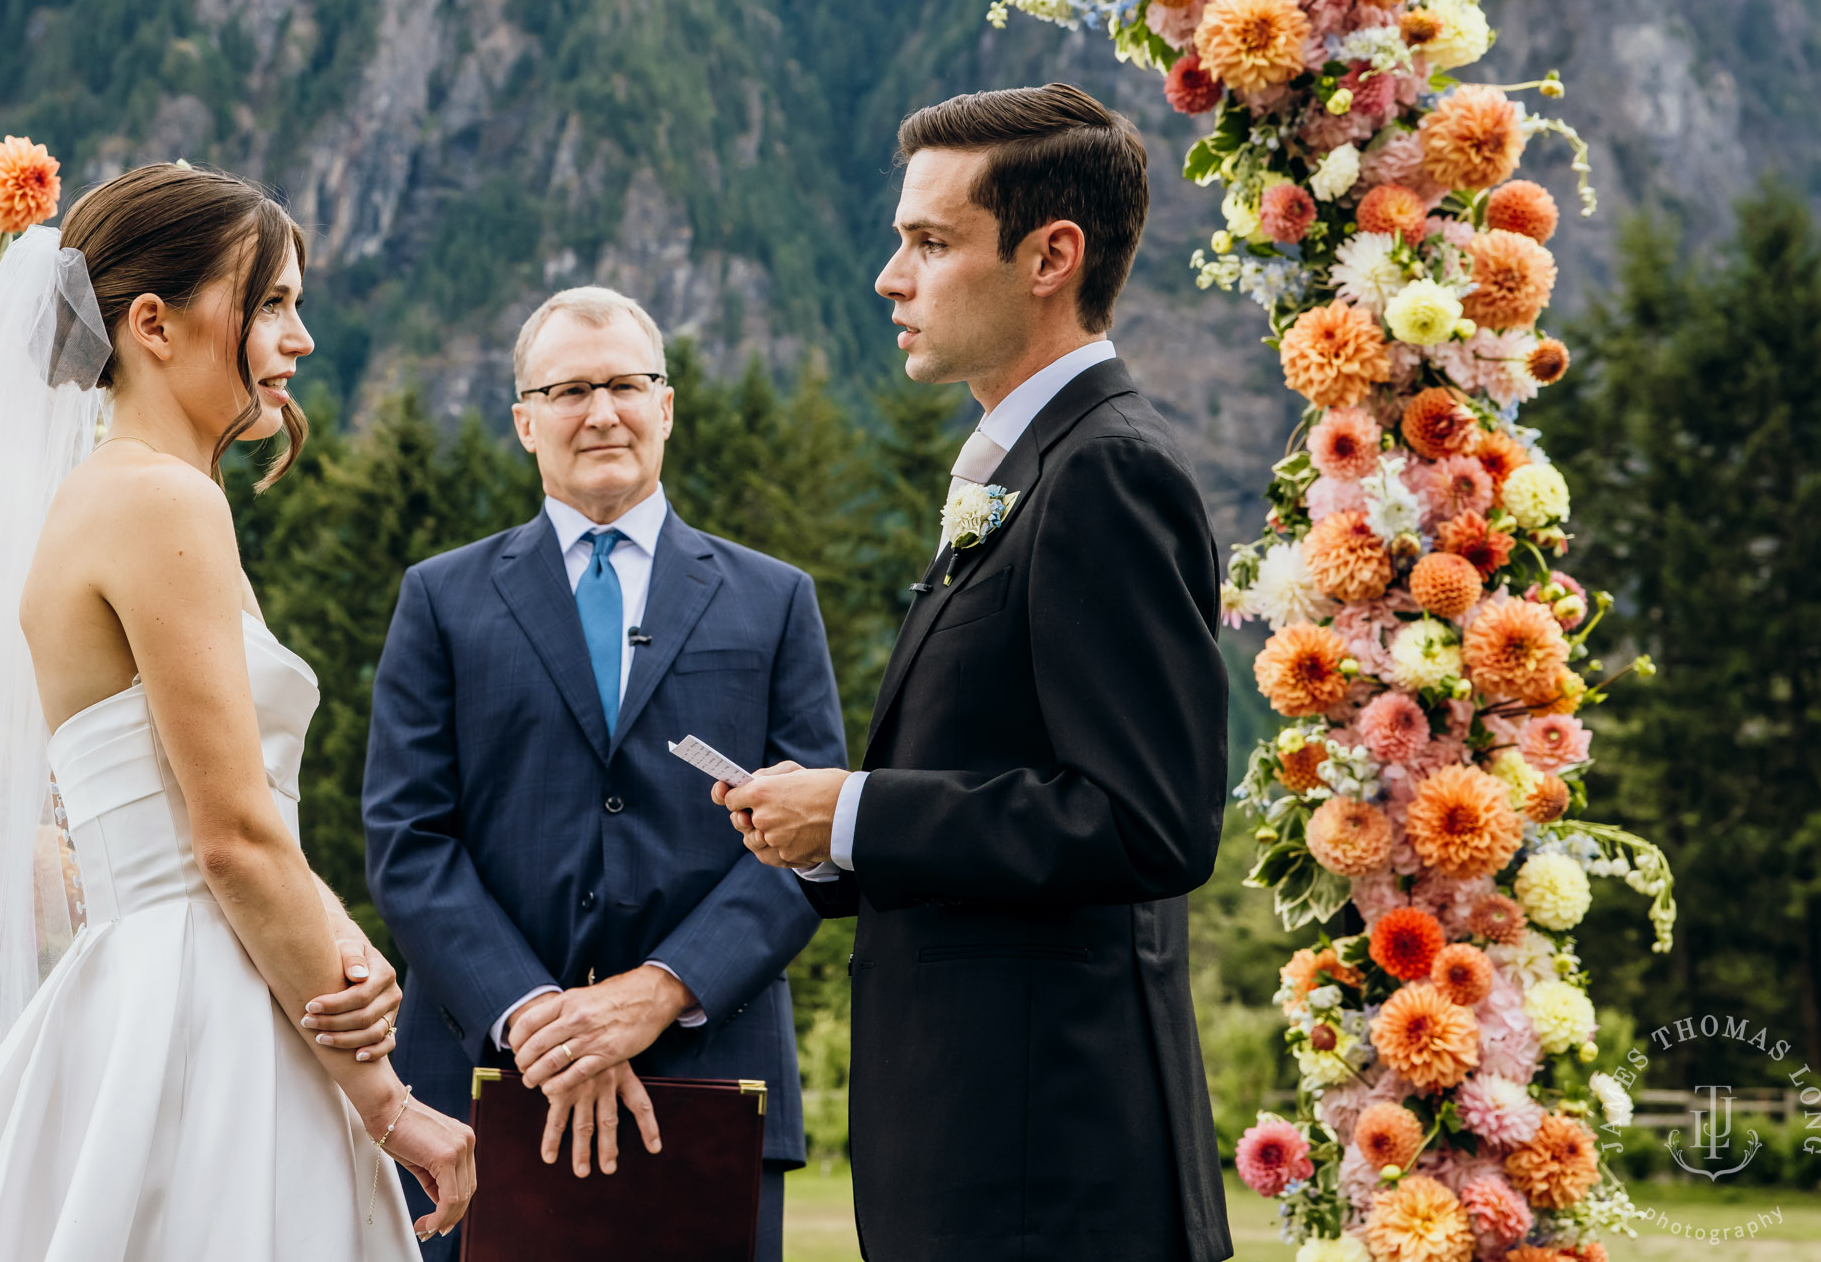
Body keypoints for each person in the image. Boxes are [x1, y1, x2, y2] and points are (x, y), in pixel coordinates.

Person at [0, 164, 474, 1260]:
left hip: (175, 979)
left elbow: (214, 810)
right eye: (270, 303)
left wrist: (336, 935)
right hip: (204, 998)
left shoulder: (120, 494)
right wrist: (387, 1104)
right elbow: (230, 840)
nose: (300, 338)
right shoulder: (161, 502)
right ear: (154, 324)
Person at [719, 85, 1234, 1261]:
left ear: (1051, 258)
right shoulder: (1028, 465)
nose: (888, 279)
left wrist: (855, 810)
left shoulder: (1106, 472)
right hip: (979, 1153)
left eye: (929, 243)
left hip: (1048, 1173)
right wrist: (827, 837)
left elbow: (1148, 823)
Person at [364, 286, 848, 1262]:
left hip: (709, 1076)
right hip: (479, 1085)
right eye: (570, 390)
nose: (601, 412)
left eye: (625, 385)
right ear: (524, 422)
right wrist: (542, 1019)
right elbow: (407, 839)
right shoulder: (441, 600)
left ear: (664, 405)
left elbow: (811, 842)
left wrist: (659, 991)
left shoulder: (774, 601)